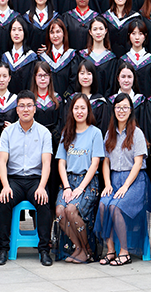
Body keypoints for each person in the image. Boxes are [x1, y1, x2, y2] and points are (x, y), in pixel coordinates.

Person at [0, 92, 56, 265]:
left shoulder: (44, 132)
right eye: (22, 106)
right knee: (4, 201)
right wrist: (5, 186)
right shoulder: (8, 132)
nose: (25, 109)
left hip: (35, 180)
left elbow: (46, 163)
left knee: (44, 202)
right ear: (17, 109)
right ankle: (3, 249)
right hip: (14, 180)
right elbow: (2, 162)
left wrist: (42, 187)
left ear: (35, 109)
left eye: (29, 105)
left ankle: (44, 250)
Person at [94, 94, 148, 265]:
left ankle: (124, 252)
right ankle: (110, 250)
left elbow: (138, 163)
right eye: (118, 107)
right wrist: (107, 184)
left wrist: (125, 186)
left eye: (125, 107)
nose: (121, 111)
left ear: (131, 110)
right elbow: (105, 162)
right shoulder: (109, 133)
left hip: (135, 181)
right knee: (103, 205)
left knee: (115, 207)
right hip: (114, 179)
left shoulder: (137, 133)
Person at [54, 93, 104, 264]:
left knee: (71, 210)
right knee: (60, 211)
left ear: (88, 110)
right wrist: (67, 187)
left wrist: (80, 188)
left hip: (88, 182)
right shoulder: (66, 133)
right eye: (76, 108)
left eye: (83, 108)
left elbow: (95, 164)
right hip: (69, 181)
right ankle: (79, 248)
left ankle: (87, 250)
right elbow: (61, 163)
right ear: (71, 111)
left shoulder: (95, 133)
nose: (80, 111)